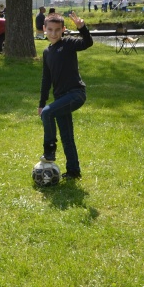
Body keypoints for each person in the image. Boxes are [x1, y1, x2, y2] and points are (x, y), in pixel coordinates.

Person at [38, 11, 93, 180]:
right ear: (44, 29)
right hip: (60, 99)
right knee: (67, 136)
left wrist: (82, 28)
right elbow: (46, 79)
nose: (53, 33)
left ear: (63, 30)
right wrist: (42, 102)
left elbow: (87, 43)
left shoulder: (68, 43)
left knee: (48, 113)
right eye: (50, 30)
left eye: (57, 30)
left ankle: (49, 151)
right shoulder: (47, 52)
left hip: (76, 94)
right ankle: (73, 171)